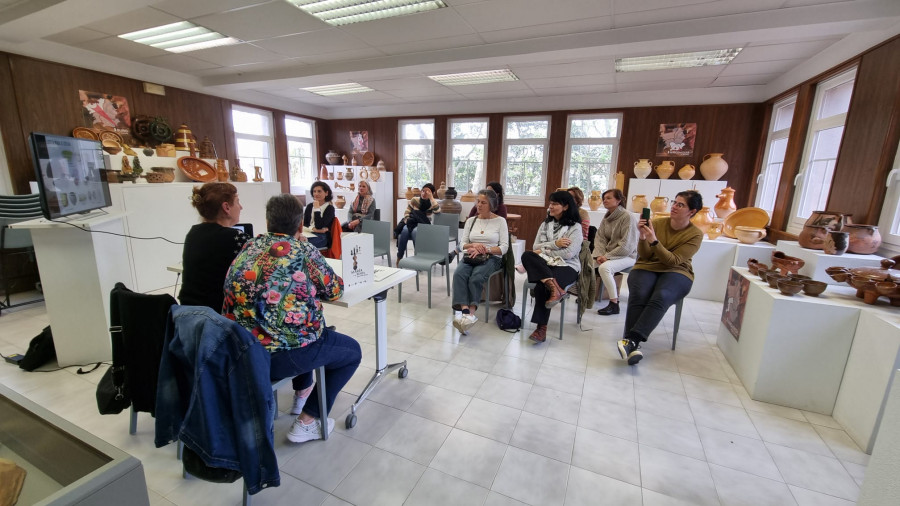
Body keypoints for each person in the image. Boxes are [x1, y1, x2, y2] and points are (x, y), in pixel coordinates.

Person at [223, 194, 362, 443]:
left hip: (240, 350)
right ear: (300, 226)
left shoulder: (249, 246)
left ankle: (303, 393)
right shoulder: (303, 249)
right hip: (280, 355)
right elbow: (333, 290)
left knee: (307, 331)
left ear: (267, 222)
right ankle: (308, 420)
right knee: (351, 352)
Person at [618, 190, 703, 365]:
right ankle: (632, 345)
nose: (674, 207)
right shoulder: (657, 223)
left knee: (662, 295)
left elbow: (673, 261)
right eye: (674, 202)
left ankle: (632, 340)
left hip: (678, 271)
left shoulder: (695, 234)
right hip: (647, 266)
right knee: (640, 293)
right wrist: (642, 237)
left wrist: (653, 239)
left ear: (692, 211)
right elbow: (646, 256)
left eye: (681, 204)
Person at [520, 191, 583, 343]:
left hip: (567, 266)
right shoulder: (545, 224)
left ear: (566, 206)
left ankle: (541, 329)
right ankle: (555, 288)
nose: (551, 207)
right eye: (550, 203)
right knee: (527, 255)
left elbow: (568, 253)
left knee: (542, 286)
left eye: (555, 204)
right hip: (545, 263)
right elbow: (534, 246)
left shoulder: (575, 227)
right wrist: (555, 244)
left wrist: (545, 249)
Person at [179, 182, 249, 311]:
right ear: (226, 207)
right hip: (217, 317)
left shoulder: (193, 233)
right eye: (237, 202)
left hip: (188, 315)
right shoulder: (235, 238)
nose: (241, 207)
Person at [452, 188, 509, 334]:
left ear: (492, 205)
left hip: (492, 258)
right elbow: (462, 244)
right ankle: (465, 312)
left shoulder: (500, 221)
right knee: (459, 274)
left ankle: (470, 314)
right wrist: (473, 246)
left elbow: (504, 247)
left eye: (483, 202)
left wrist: (486, 249)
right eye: (478, 202)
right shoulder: (471, 221)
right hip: (470, 255)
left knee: (475, 278)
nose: (479, 205)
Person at [593, 189, 639, 315]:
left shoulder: (627, 217)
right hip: (609, 254)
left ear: (618, 200)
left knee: (604, 268)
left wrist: (607, 257)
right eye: (604, 198)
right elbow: (600, 238)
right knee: (587, 262)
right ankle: (588, 295)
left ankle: (614, 304)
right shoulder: (607, 216)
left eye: (609, 198)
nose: (605, 200)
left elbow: (627, 245)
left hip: (627, 255)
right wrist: (599, 255)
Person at [397, 183, 440, 260]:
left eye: (427, 192)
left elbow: (437, 211)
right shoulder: (415, 200)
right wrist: (406, 219)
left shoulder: (432, 203)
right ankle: (399, 257)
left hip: (423, 225)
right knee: (404, 231)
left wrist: (431, 198)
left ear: (432, 193)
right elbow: (407, 211)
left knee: (415, 232)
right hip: (411, 222)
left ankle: (418, 257)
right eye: (423, 191)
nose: (424, 193)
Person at [303, 181, 335, 249]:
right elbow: (305, 223)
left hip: (322, 236)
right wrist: (314, 229)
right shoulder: (309, 206)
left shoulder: (330, 208)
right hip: (308, 232)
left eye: (319, 191)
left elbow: (319, 226)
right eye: (314, 191)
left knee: (304, 246)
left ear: (326, 193)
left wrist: (317, 209)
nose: (316, 194)